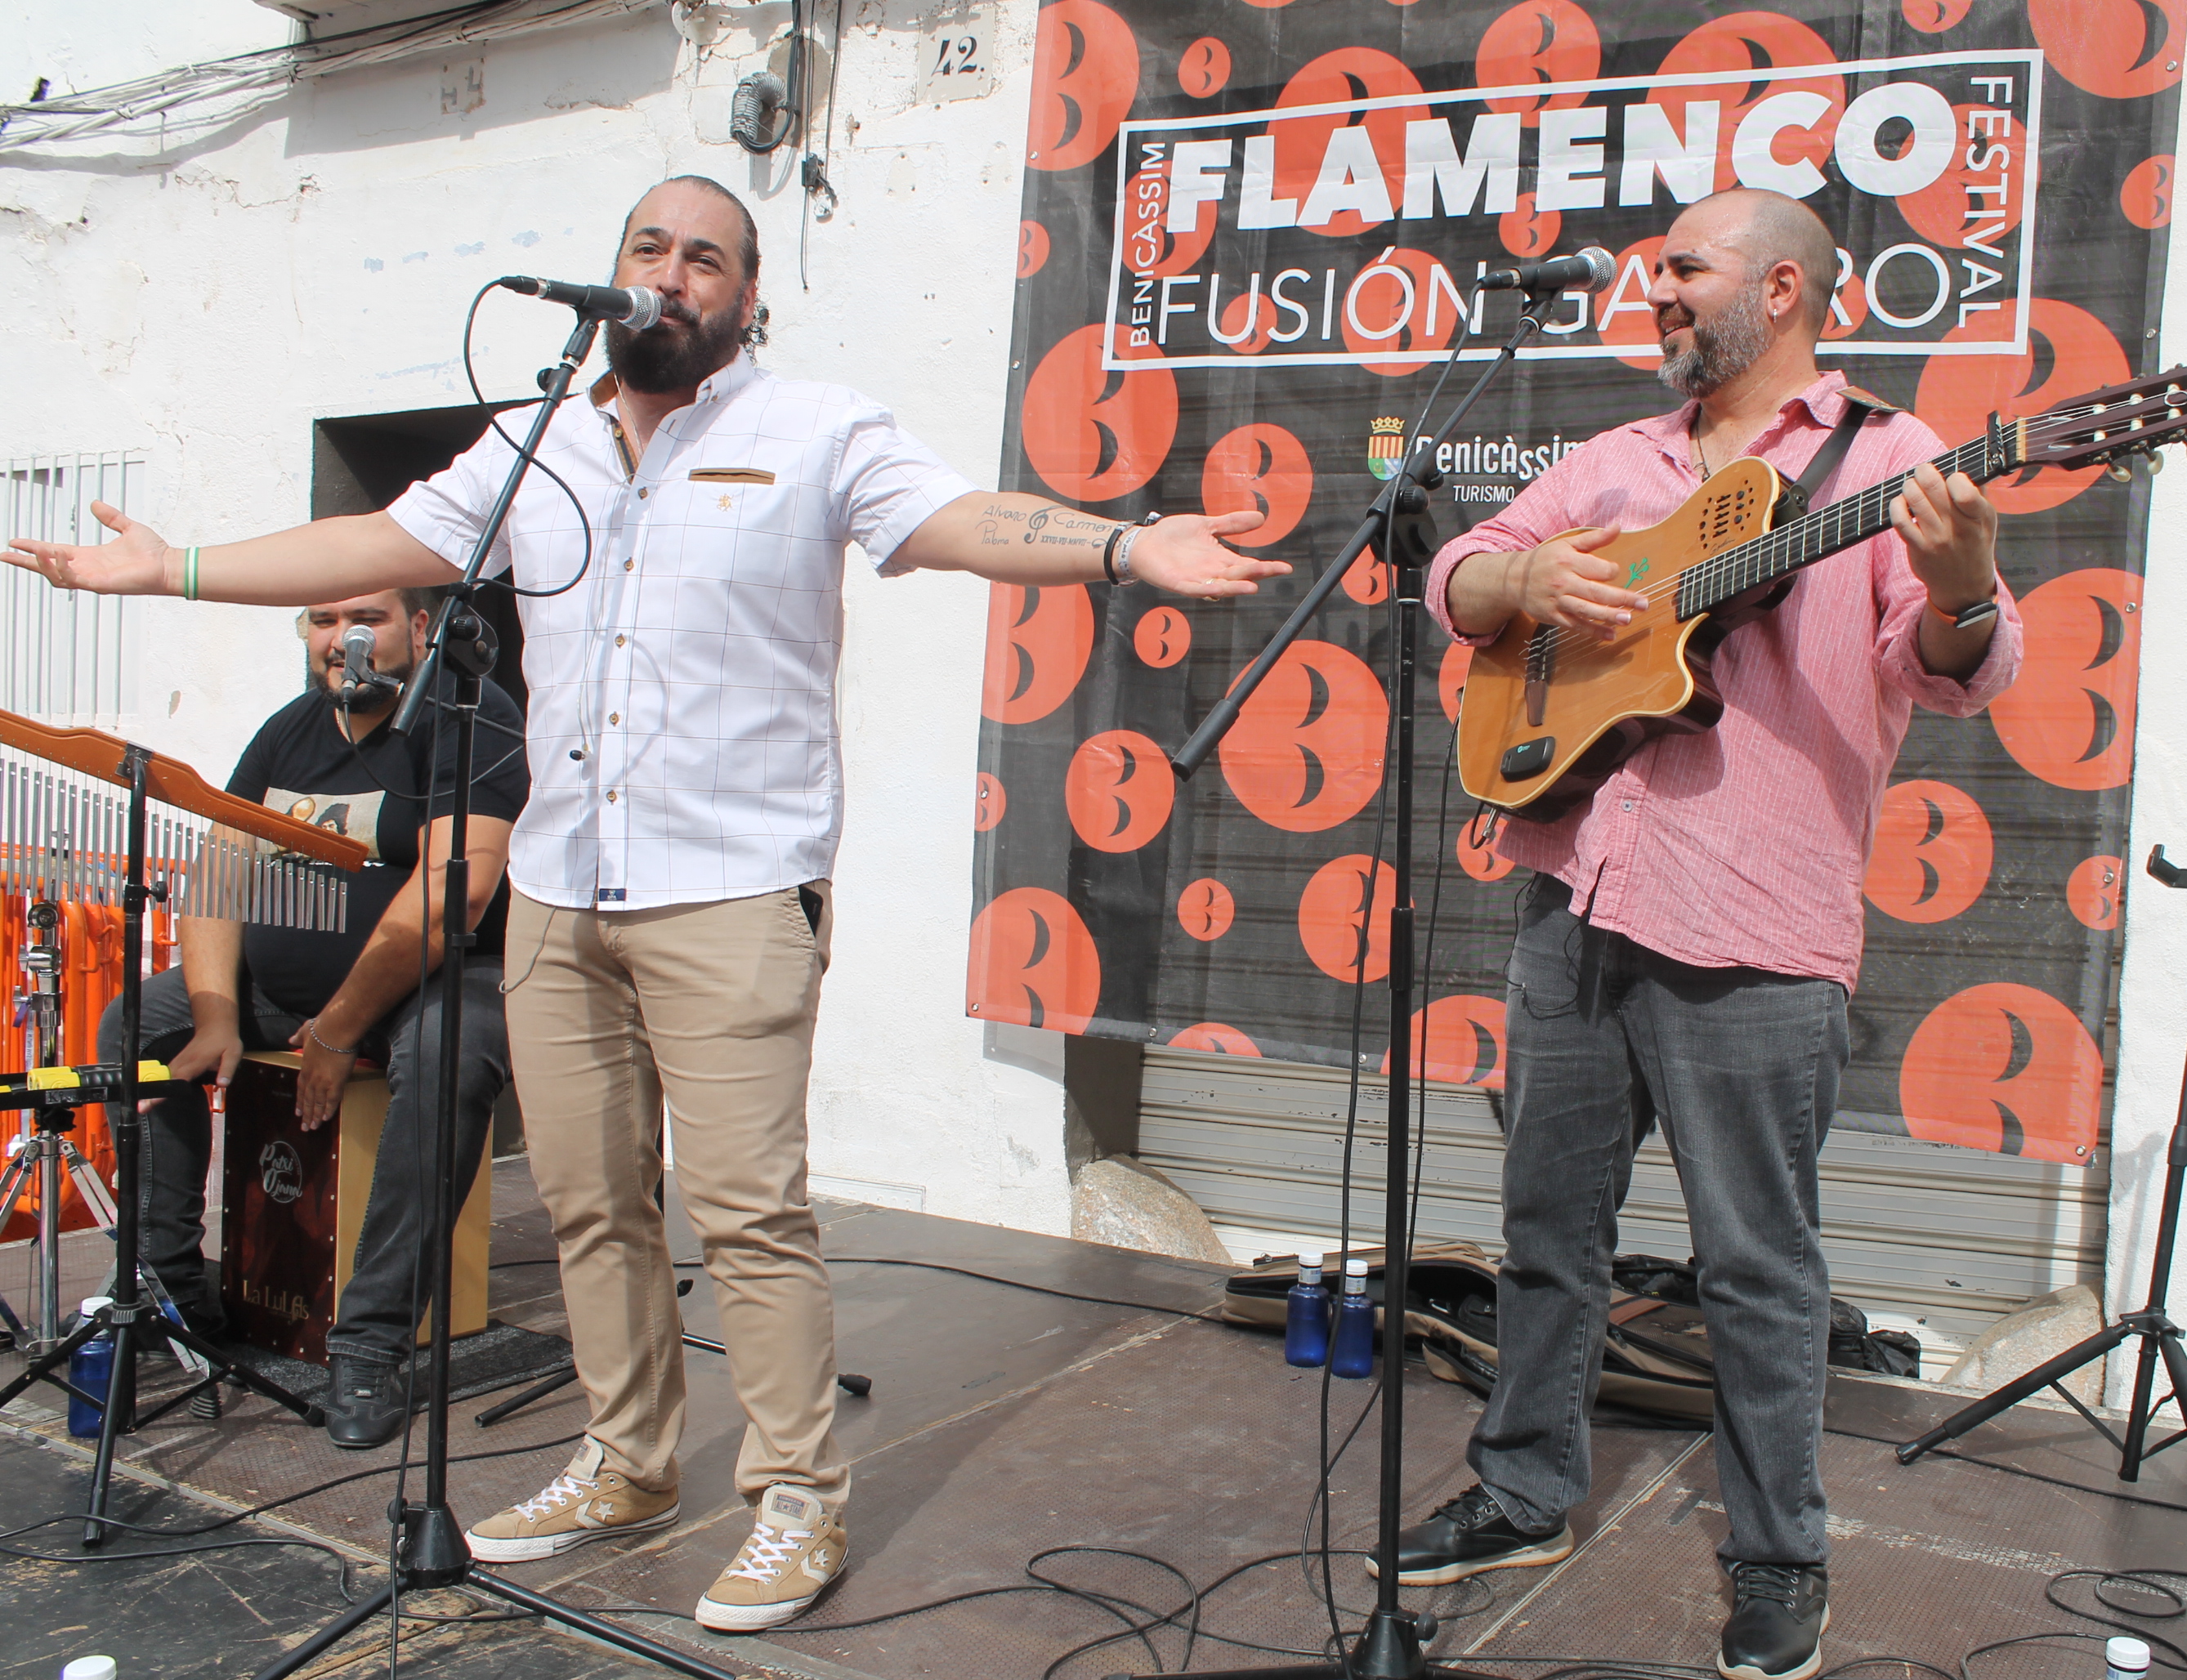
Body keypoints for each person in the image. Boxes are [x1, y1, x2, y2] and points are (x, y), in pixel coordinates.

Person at [9, 174, 1285, 1635]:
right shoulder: (535, 441)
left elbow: (953, 521)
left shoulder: (814, 430)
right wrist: (161, 570)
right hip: (557, 890)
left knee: (746, 1212)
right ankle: (627, 1461)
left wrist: (1125, 544)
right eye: (647, 249)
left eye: (706, 258)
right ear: (611, 272)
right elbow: (375, 544)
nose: (671, 274)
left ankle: (798, 1500)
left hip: (732, 889)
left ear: (748, 298)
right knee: (590, 1201)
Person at [1391, 188, 2023, 1680]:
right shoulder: (1613, 460)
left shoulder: (1888, 459)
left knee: (1757, 1268)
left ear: (1784, 288)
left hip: (1755, 923)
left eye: (1683, 268)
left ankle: (1777, 1557)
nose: (1654, 290)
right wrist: (1518, 578)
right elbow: (1452, 576)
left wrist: (1956, 582)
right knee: (1547, 1233)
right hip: (1575, 898)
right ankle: (1524, 1486)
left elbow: (1950, 670)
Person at [98, 587, 523, 1451]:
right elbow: (221, 864)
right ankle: (174, 1290)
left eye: (364, 616)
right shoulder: (290, 728)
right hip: (283, 993)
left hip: (429, 986)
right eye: (322, 620)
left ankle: (367, 1340)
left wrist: (335, 1028)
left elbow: (455, 896)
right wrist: (216, 1010)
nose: (343, 638)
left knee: (450, 1056)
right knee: (140, 1022)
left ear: (419, 623)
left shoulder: (469, 717)